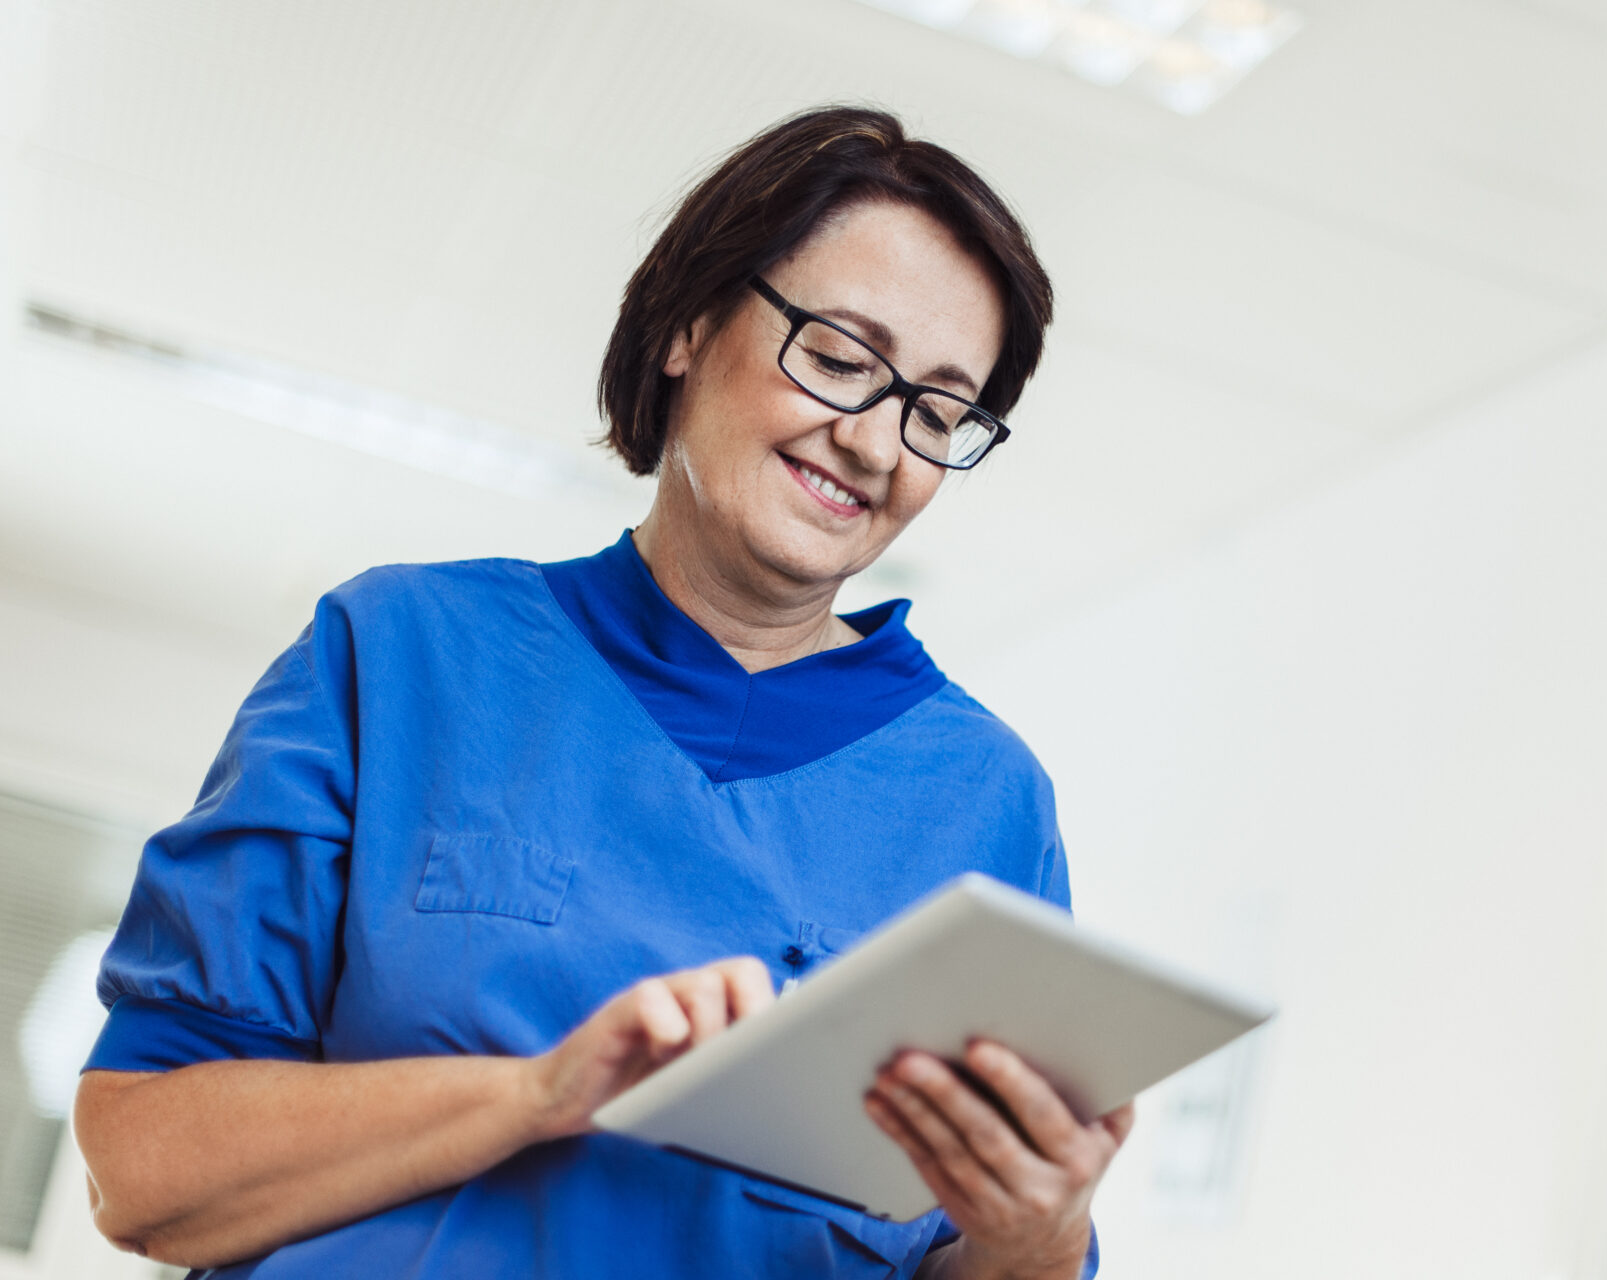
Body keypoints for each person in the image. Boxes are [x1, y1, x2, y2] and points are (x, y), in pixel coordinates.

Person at [69, 106, 1133, 1279]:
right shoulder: (401, 651)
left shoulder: (986, 803)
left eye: (937, 412)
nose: (877, 443)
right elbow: (147, 1172)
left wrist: (1037, 1233)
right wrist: (534, 1093)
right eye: (838, 357)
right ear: (687, 324)